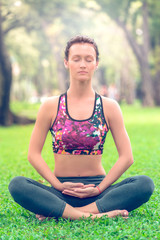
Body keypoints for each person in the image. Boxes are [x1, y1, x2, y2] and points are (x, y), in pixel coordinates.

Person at [8, 36, 154, 221]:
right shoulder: (50, 106)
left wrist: (100, 189)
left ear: (96, 63)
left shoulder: (109, 106)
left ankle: (66, 213)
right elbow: (33, 154)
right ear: (66, 63)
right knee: (17, 185)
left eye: (88, 59)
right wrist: (58, 186)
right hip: (60, 191)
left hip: (98, 192)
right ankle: (93, 216)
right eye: (76, 59)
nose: (82, 64)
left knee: (144, 184)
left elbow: (127, 157)